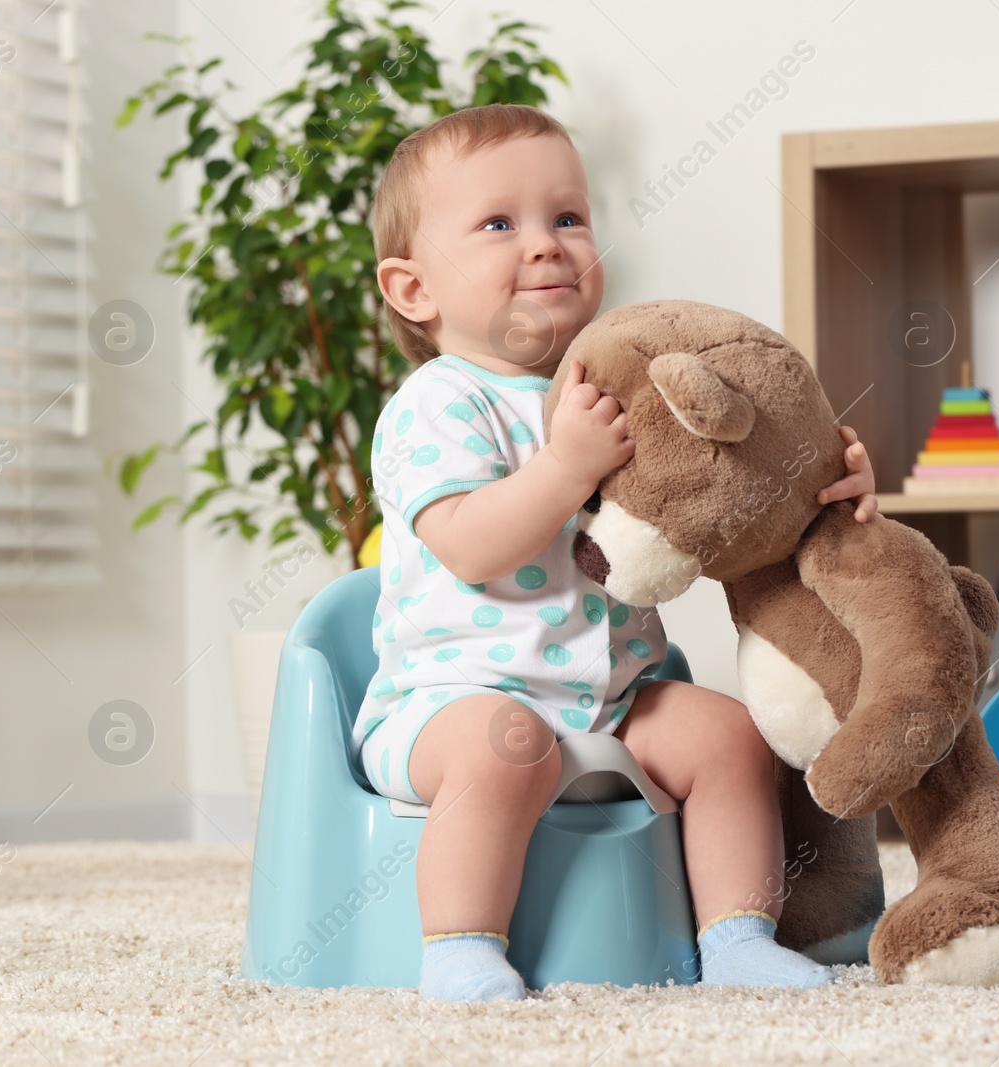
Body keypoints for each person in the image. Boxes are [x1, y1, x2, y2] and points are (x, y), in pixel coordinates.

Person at [357, 103, 880, 1002]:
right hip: (450, 701)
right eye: (498, 224)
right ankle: (460, 948)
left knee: (726, 733)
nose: (546, 244)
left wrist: (825, 478)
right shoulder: (437, 403)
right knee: (504, 748)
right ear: (413, 290)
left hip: (613, 695)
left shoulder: (617, 386)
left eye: (567, 218)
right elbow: (470, 546)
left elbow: (724, 500)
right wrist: (565, 467)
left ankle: (738, 938)